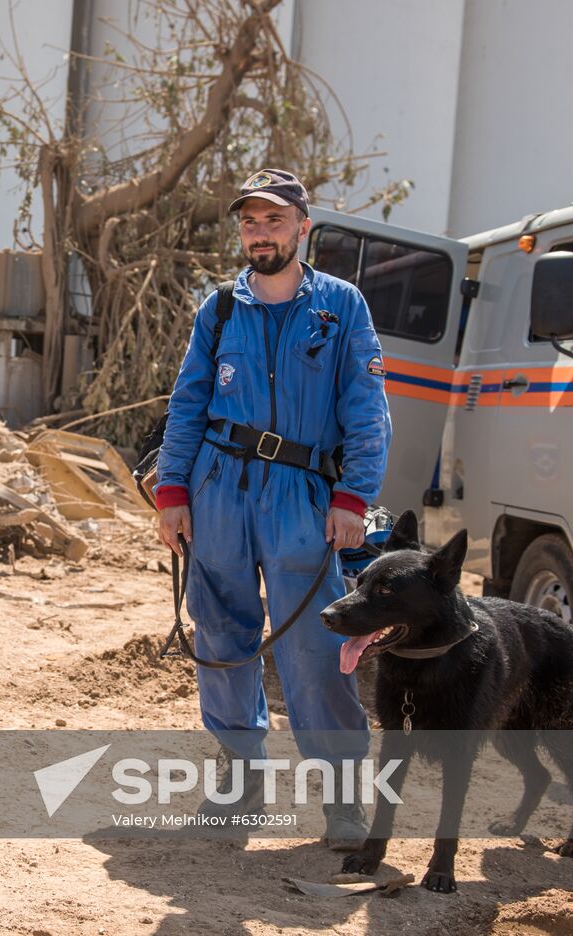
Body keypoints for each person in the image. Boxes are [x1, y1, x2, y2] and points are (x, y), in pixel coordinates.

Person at [154, 169, 391, 849]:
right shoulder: (220, 309)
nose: (261, 233)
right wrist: (173, 493)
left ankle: (344, 799)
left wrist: (353, 498)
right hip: (218, 488)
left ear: (302, 226)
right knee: (222, 636)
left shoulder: (341, 307)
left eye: (274, 220)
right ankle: (239, 781)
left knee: (314, 646)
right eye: (250, 222)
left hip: (304, 498)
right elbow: (189, 403)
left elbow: (368, 412)